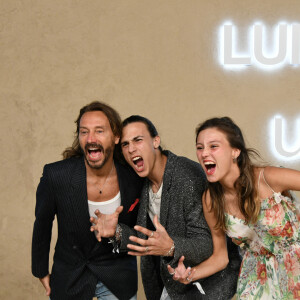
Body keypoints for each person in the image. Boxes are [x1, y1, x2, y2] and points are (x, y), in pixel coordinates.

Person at [91, 115, 241, 299]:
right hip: (170, 282)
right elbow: (147, 239)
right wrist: (117, 232)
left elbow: (208, 245)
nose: (131, 149)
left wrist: (171, 247)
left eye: (138, 140)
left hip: (204, 286)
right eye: (125, 144)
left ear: (156, 141)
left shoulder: (188, 178)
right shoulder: (143, 182)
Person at [169, 116, 300, 299]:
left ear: (235, 151)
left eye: (213, 146)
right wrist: (190, 274)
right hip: (257, 279)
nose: (204, 153)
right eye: (200, 148)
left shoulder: (266, 178)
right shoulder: (211, 200)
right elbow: (220, 257)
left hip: (296, 268)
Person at [31, 101, 143, 300]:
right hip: (70, 275)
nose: (91, 138)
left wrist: (118, 232)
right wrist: (40, 270)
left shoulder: (134, 177)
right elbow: (42, 223)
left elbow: (142, 230)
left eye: (99, 131)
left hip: (117, 276)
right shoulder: (56, 175)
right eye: (84, 132)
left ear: (116, 137)